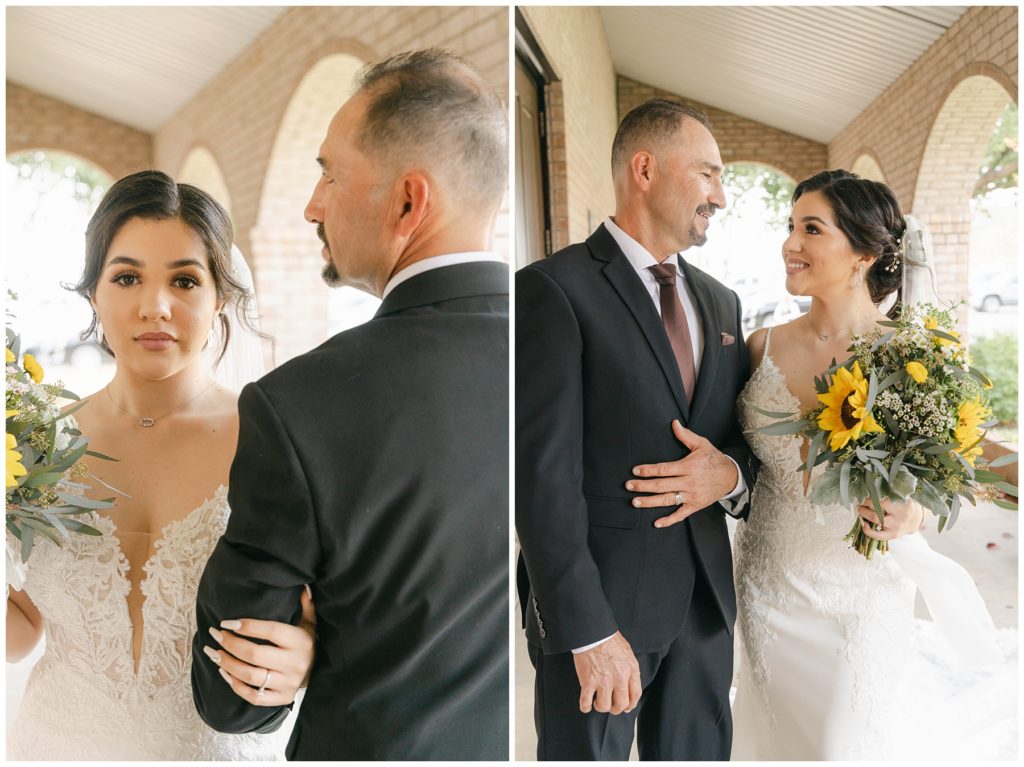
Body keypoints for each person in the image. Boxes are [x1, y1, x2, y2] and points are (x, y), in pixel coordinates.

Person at [190, 49, 509, 760]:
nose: (312, 203)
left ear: (408, 201)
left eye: (330, 173)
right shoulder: (568, 353)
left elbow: (232, 696)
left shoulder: (300, 403)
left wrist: (318, 629)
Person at [5, 170, 315, 760]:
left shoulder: (276, 442)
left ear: (219, 296)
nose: (155, 306)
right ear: (94, 293)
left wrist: (309, 651)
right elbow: (21, 632)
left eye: (184, 279)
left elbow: (327, 610)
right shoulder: (32, 442)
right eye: (127, 277)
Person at [727, 169, 1015, 759]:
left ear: (862, 253)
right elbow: (730, 452)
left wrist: (917, 511)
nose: (790, 243)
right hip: (768, 588)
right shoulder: (758, 347)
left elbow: (958, 450)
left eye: (812, 228)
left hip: (863, 594)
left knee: (843, 744)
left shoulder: (914, 354)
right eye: (789, 227)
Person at [516, 98, 758, 760]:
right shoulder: (551, 290)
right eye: (707, 173)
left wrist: (729, 473)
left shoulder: (721, 302)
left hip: (704, 609)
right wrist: (588, 632)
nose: (721, 196)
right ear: (645, 168)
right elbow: (541, 480)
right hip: (601, 616)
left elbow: (742, 443)